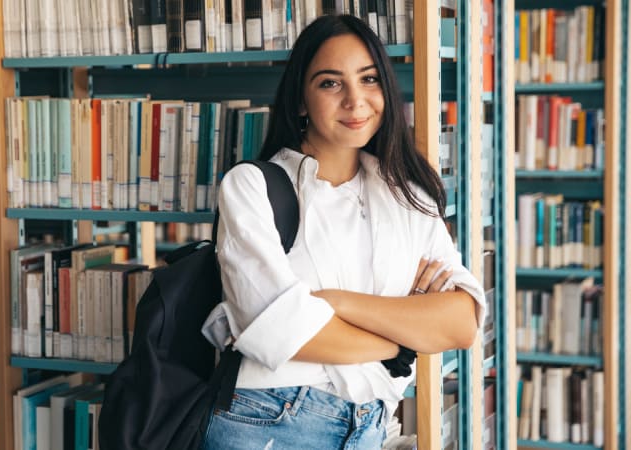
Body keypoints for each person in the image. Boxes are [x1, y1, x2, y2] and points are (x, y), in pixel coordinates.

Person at [201, 14, 486, 449]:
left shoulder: (408, 195)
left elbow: (461, 324)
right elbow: (278, 330)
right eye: (330, 83)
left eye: (369, 79)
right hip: (267, 423)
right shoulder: (251, 185)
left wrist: (335, 303)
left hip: (369, 428)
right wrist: (402, 341)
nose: (356, 101)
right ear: (301, 100)